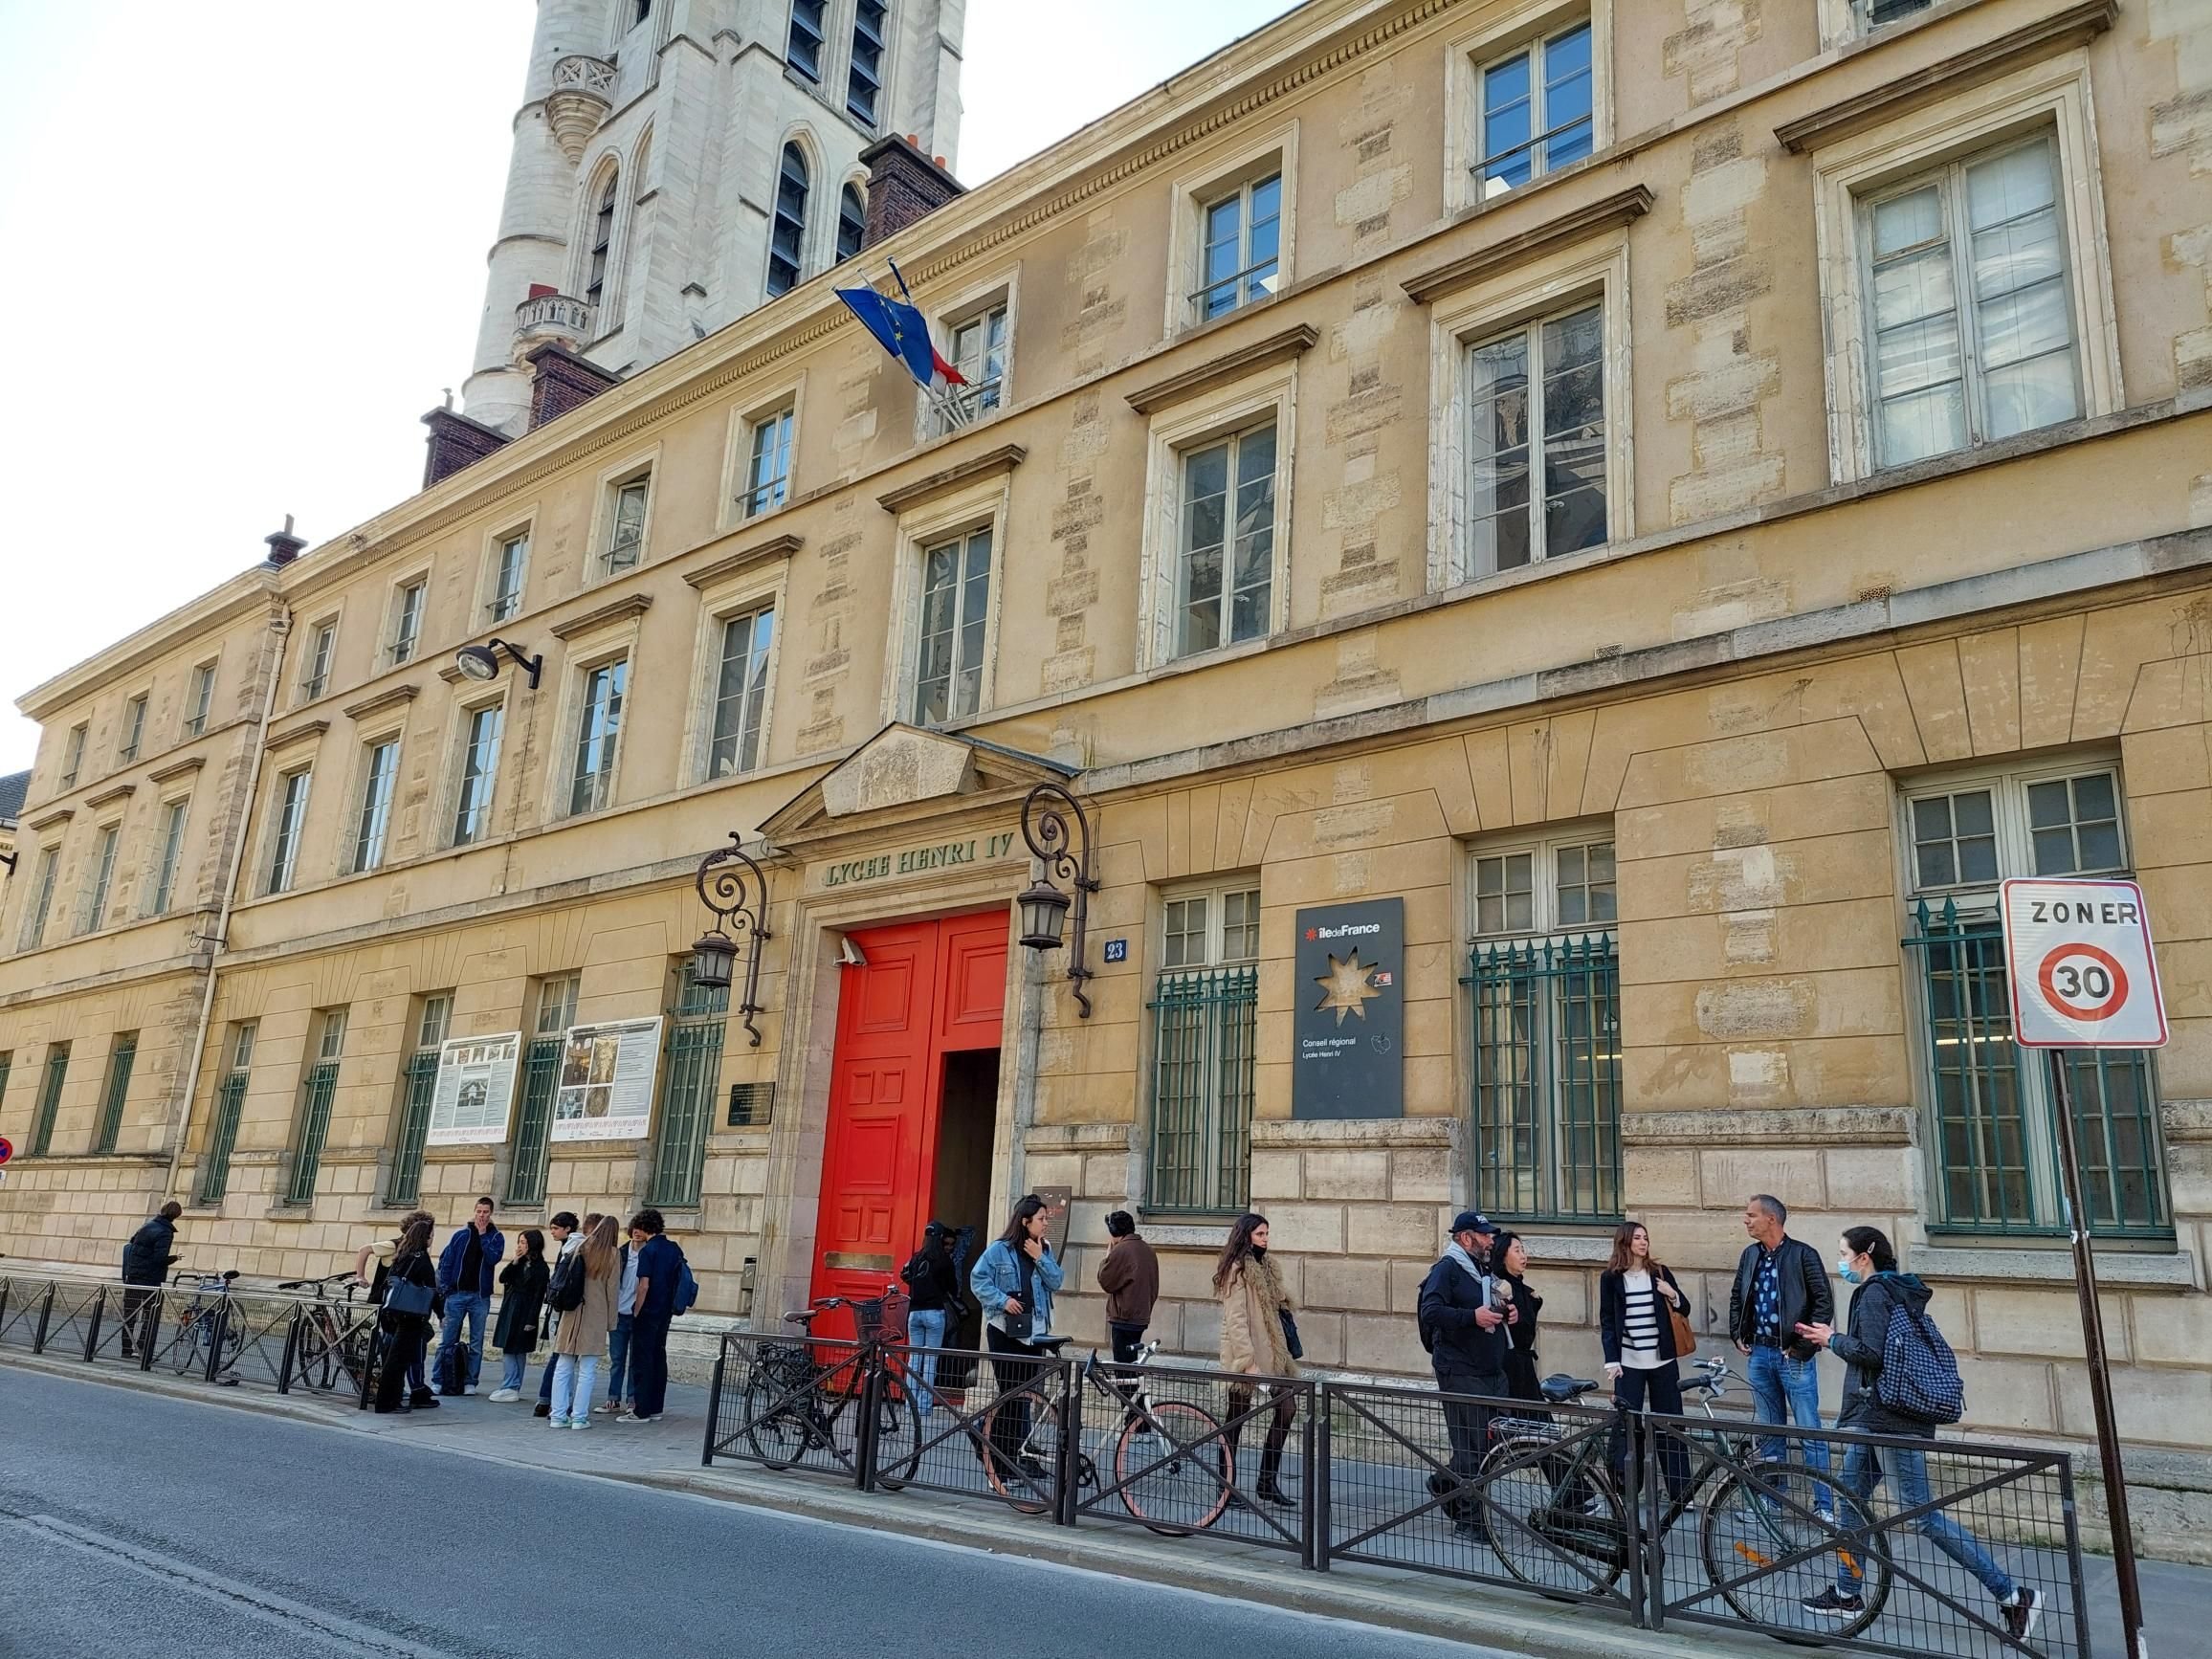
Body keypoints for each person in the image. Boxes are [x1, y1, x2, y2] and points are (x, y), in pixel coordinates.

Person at [1797, 1227, 2041, 1639]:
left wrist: (1830, 1339)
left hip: (1891, 1421)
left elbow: (1870, 1353)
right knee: (1851, 1504)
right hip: (1877, 1419)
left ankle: (2012, 1595)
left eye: (1843, 1253)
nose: (1840, 1262)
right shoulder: (1897, 1290)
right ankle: (1847, 1591)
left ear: (1864, 1256)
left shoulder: (1874, 1292)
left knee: (1922, 1516)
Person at [1728, 1194, 1833, 1505]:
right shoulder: (1750, 1255)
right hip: (1760, 1355)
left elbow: (1823, 1303)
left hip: (1793, 1357)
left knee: (1810, 1432)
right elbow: (1738, 1296)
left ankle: (1824, 1505)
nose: (1745, 1220)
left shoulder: (1803, 1255)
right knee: (1769, 1432)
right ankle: (1772, 1500)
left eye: (1751, 1215)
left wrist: (1801, 1349)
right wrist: (1738, 1332)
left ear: (1771, 1219)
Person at [1417, 1209, 1514, 1536]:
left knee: (1496, 1441)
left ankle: (1445, 1484)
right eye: (1485, 1235)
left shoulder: (1480, 1269)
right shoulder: (1447, 1269)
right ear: (1466, 1237)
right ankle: (1471, 1522)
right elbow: (1431, 1310)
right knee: (1473, 1446)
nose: (1492, 1240)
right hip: (1459, 1368)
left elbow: (1488, 1305)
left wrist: (1506, 1313)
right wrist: (1472, 1317)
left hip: (1490, 1368)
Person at [970, 1194, 1064, 1477]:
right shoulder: (999, 1250)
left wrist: (1040, 1259)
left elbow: (1057, 1281)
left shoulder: (1043, 1249)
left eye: (1046, 1218)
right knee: (1012, 1396)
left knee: (1026, 1397)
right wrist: (1002, 1300)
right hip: (1004, 1332)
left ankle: (1010, 1452)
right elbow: (978, 1279)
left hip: (1034, 1333)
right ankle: (1002, 1463)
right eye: (1041, 1219)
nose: (1046, 1223)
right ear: (1026, 1222)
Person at [1599, 1220, 1691, 1506]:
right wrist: (1611, 1361)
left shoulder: (1659, 1274)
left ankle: (1681, 1492)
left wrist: (1671, 1293)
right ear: (1625, 1242)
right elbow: (1607, 1322)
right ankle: (1625, 1488)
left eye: (1645, 1238)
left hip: (1662, 1361)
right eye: (1637, 1238)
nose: (1643, 1242)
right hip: (1629, 1362)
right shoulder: (1611, 1278)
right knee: (1627, 1425)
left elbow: (1684, 1308)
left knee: (1670, 1425)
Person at [1215, 1212, 1297, 1510]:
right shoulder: (1236, 1270)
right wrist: (1247, 1363)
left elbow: (1275, 1308)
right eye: (1260, 1234)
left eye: (1267, 1234)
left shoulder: (1267, 1266)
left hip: (1272, 1354)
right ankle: (1225, 1485)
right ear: (1246, 1235)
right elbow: (1236, 1320)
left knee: (1287, 1409)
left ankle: (1266, 1481)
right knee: (1235, 1418)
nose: (1265, 1239)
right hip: (1246, 1356)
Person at [359, 1208, 436, 1407]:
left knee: (397, 1353)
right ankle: (400, 1394)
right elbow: (364, 1249)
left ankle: (402, 1392)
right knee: (398, 1354)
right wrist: (360, 1276)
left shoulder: (405, 1252)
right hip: (403, 1312)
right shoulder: (403, 1250)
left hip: (394, 1309)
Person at [549, 1214, 619, 1429]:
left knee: (563, 1364)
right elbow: (612, 1290)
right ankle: (579, 1417)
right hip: (596, 1314)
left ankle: (558, 1415)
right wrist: (611, 1322)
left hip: (572, 1310)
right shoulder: (612, 1254)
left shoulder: (579, 1246)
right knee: (588, 1368)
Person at [434, 1196, 506, 1394]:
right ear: (474, 1211)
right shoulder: (460, 1235)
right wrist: (447, 1290)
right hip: (456, 1295)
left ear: (491, 1214)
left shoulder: (495, 1237)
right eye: (479, 1211)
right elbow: (447, 1262)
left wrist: (483, 1235)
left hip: (479, 1297)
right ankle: (439, 1380)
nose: (482, 1215)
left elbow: (493, 1259)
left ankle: (470, 1382)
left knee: (476, 1342)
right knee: (447, 1340)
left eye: (486, 1212)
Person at [623, 1207, 687, 1423]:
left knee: (642, 1360)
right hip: (666, 1311)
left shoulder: (648, 1251)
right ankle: (656, 1407)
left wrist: (637, 1312)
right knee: (659, 1357)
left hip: (648, 1310)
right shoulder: (673, 1248)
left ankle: (641, 1410)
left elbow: (644, 1285)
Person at [900, 1221, 961, 1416]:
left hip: (915, 1313)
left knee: (914, 1360)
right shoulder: (944, 1260)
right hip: (934, 1312)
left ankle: (910, 1406)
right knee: (930, 1362)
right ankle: (924, 1407)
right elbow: (954, 1288)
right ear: (941, 1238)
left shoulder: (916, 1258)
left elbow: (906, 1276)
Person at [535, 1212, 586, 1418]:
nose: (553, 1232)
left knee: (560, 1357)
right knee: (562, 1358)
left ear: (567, 1229)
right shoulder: (569, 1249)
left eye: (556, 1228)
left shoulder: (571, 1248)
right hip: (563, 1308)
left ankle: (547, 1400)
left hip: (562, 1307)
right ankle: (552, 1401)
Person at [118, 1200, 183, 1360]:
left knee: (130, 1314)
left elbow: (132, 1243)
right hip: (150, 1279)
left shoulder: (147, 1226)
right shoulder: (165, 1232)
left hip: (133, 1275)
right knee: (151, 1315)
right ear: (176, 1216)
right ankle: (143, 1350)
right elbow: (159, 1258)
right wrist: (174, 1258)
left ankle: (126, 1349)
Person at [1096, 1210, 1161, 1368]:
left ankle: (1127, 1393)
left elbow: (1106, 1281)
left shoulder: (1122, 1250)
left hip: (1124, 1318)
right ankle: (1133, 1391)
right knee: (1131, 1363)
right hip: (1141, 1317)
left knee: (1123, 1368)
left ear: (1114, 1231)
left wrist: (1108, 1257)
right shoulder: (1147, 1249)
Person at [490, 1228, 548, 1401]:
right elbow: (503, 1278)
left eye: (524, 1242)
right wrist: (514, 1261)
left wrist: (532, 1320)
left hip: (525, 1309)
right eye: (519, 1242)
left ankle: (512, 1385)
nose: (520, 1246)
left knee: (518, 1348)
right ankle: (509, 1384)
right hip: (511, 1306)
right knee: (508, 1346)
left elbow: (538, 1296)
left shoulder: (541, 1268)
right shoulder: (520, 1263)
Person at [1493, 1231, 1544, 1404]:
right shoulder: (1498, 1288)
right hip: (1507, 1365)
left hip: (1524, 1365)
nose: (1523, 1256)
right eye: (1517, 1251)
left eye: (1523, 1250)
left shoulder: (1525, 1290)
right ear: (1502, 1256)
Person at [598, 1228, 642, 1417]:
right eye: (635, 1229)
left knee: (635, 1360)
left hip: (637, 1313)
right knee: (617, 1358)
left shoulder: (648, 1254)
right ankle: (613, 1397)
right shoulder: (621, 1253)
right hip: (618, 1312)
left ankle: (632, 1399)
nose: (637, 1233)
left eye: (642, 1229)